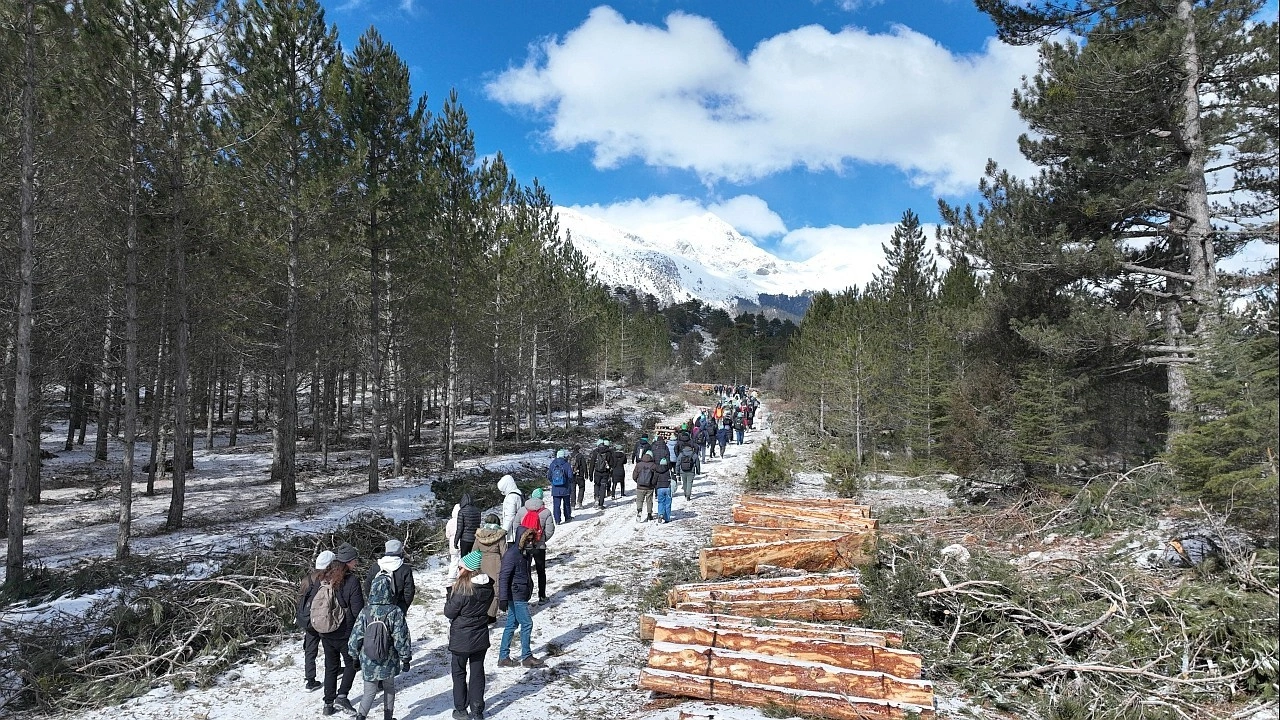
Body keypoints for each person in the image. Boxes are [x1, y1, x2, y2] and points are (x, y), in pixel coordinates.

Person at [302, 542, 364, 715]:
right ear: (349, 562)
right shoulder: (351, 581)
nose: (356, 563)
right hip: (345, 632)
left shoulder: (323, 577)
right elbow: (358, 610)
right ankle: (342, 696)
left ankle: (328, 704)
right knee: (352, 664)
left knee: (331, 667)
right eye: (354, 560)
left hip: (325, 631)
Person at [347, 572, 412, 720]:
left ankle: (360, 716)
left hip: (368, 658)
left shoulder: (365, 611)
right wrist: (406, 658)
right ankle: (388, 717)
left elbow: (356, 636)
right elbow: (401, 637)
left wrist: (354, 656)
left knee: (369, 691)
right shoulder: (395, 611)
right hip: (388, 658)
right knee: (389, 688)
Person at [444, 551, 494, 720]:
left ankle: (460, 709)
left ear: (467, 570)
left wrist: (448, 595)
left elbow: (449, 612)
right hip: (480, 636)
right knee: (477, 672)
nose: (458, 571)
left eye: (460, 568)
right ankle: (477, 710)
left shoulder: (462, 590)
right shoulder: (488, 587)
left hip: (461, 639)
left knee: (458, 672)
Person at [496, 526, 546, 668]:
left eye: (532, 540)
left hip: (521, 592)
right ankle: (526, 656)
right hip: (516, 594)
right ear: (521, 539)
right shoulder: (512, 554)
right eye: (527, 540)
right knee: (527, 623)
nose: (530, 543)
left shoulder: (525, 553)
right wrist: (503, 598)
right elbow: (504, 576)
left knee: (511, 624)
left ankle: (503, 657)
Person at [298, 549, 334, 692]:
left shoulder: (307, 579)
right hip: (324, 620)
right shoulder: (329, 579)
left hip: (309, 621)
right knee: (329, 648)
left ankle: (310, 680)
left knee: (310, 649)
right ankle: (334, 670)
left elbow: (300, 599)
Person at [518, 488, 556, 604]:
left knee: (525, 571)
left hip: (525, 546)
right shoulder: (546, 512)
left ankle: (524, 597)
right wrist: (541, 540)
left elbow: (516, 527)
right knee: (541, 571)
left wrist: (523, 540)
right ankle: (542, 596)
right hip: (539, 547)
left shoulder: (522, 511)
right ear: (541, 498)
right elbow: (550, 530)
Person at [365, 539, 416, 616]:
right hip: (397, 609)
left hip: (376, 610)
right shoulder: (405, 569)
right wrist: (403, 608)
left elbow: (367, 587)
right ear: (400, 551)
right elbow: (409, 592)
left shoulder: (375, 567)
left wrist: (373, 603)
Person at [472, 514, 507, 622]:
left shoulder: (479, 535)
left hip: (481, 563)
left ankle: (481, 612)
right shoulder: (500, 535)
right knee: (495, 590)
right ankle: (491, 615)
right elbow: (504, 552)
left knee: (481, 589)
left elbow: (474, 551)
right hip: (495, 564)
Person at [547, 449, 574, 523]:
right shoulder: (567, 464)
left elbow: (549, 476)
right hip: (565, 488)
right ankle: (568, 517)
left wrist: (553, 482)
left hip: (555, 488)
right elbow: (570, 476)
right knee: (566, 504)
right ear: (564, 456)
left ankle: (557, 520)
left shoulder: (552, 464)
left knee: (556, 505)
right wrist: (570, 482)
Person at [632, 450, 657, 522]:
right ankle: (649, 514)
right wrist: (652, 483)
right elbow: (655, 477)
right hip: (649, 487)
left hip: (640, 487)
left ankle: (639, 512)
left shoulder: (639, 465)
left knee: (639, 500)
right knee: (649, 500)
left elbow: (634, 476)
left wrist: (638, 482)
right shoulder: (653, 465)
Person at [498, 474, 524, 543]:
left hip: (512, 533)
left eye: (503, 491)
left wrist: (504, 530)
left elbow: (510, 515)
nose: (502, 493)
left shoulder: (511, 497)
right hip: (519, 528)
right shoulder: (519, 493)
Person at [589, 440, 611, 508]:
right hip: (605, 473)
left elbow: (592, 464)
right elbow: (612, 463)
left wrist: (590, 474)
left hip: (597, 472)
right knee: (603, 487)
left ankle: (596, 498)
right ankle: (601, 504)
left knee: (596, 485)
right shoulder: (608, 453)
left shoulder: (595, 452)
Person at [444, 503, 461, 587]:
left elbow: (447, 534)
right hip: (461, 541)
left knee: (454, 560)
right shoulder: (462, 520)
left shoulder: (450, 522)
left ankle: (451, 577)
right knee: (461, 560)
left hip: (452, 542)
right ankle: (461, 575)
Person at [654, 457, 674, 523]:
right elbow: (674, 479)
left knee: (661, 502)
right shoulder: (669, 471)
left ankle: (660, 514)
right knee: (668, 503)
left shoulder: (657, 471)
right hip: (668, 488)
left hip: (659, 488)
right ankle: (667, 518)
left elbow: (654, 481)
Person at [570, 444, 589, 510]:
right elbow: (584, 465)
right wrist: (586, 474)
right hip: (580, 475)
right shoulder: (581, 456)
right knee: (581, 487)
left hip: (572, 475)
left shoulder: (570, 456)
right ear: (579, 449)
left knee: (573, 490)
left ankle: (572, 505)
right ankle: (579, 502)